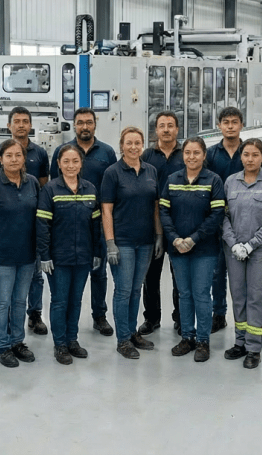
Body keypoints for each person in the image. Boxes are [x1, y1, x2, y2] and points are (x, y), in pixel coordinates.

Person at [48, 107, 118, 338]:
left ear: (95, 124)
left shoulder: (106, 152)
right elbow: (53, 184)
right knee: (65, 287)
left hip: (96, 219)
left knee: (99, 272)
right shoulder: (62, 150)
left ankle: (99, 316)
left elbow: (113, 184)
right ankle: (63, 336)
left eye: (89, 122)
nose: (85, 127)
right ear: (74, 125)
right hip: (66, 223)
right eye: (80, 123)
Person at [0, 139, 42, 368]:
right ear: (0, 160)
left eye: (18, 155)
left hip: (27, 254)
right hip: (0, 255)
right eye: (9, 156)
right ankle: (2, 346)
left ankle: (17, 342)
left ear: (24, 158)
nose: (14, 160)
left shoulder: (32, 183)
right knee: (2, 301)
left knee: (19, 301)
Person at [159, 137, 226, 363]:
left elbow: (217, 215)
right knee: (184, 294)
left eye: (196, 153)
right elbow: (164, 212)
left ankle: (203, 340)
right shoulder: (172, 180)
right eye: (187, 152)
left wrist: (194, 239)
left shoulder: (213, 180)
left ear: (204, 155)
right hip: (178, 248)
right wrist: (175, 239)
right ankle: (187, 336)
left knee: (200, 294)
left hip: (204, 249)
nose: (191, 157)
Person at [37, 144, 104, 364]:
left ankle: (72, 339)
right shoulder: (50, 190)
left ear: (81, 163)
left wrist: (96, 251)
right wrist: (44, 255)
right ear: (58, 164)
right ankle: (60, 344)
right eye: (66, 161)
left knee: (75, 301)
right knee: (59, 301)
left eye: (75, 161)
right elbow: (43, 225)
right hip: (59, 258)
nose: (70, 165)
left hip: (83, 256)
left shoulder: (90, 189)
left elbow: (96, 226)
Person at [100, 126, 162, 359]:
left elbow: (155, 206)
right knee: (123, 290)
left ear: (143, 145)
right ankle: (123, 339)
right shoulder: (112, 173)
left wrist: (158, 236)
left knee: (136, 289)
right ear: (121, 146)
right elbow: (106, 209)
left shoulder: (151, 171)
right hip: (123, 241)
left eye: (138, 143)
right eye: (129, 143)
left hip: (145, 241)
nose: (134, 147)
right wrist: (110, 242)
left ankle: (132, 331)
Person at [222, 139, 262, 369]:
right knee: (238, 295)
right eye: (246, 154)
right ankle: (240, 342)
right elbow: (223, 216)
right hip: (234, 250)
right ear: (241, 157)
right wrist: (234, 243)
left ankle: (254, 348)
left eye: (255, 155)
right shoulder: (230, 182)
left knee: (256, 297)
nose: (250, 159)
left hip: (261, 252)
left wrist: (251, 245)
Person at [0, 106, 50, 336]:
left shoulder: (40, 153)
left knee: (35, 276)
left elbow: (43, 187)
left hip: (32, 229)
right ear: (9, 125)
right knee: (5, 294)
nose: (21, 125)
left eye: (26, 121)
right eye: (17, 121)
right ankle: (4, 336)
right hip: (5, 233)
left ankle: (34, 315)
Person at [141, 111, 185, 336]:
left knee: (179, 274)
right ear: (156, 130)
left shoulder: (186, 154)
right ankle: (151, 318)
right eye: (162, 126)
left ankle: (180, 318)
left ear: (177, 129)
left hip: (180, 224)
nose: (166, 129)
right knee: (150, 275)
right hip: (152, 224)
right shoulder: (147, 156)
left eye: (170, 125)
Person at [205, 107, 245, 334]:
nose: (230, 126)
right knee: (217, 271)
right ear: (219, 125)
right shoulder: (211, 154)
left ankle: (246, 317)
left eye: (234, 122)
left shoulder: (248, 152)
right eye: (226, 122)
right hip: (217, 220)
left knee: (243, 273)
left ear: (241, 125)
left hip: (243, 220)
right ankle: (218, 314)